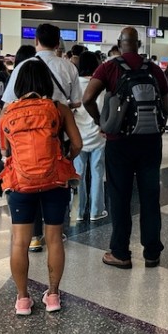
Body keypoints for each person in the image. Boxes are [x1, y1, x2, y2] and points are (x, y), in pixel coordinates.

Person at [82, 26, 168, 269]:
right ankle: (152, 252)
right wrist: (159, 123)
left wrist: (102, 121)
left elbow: (88, 98)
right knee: (150, 197)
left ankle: (120, 252)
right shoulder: (152, 68)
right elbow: (166, 96)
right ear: (139, 45)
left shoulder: (109, 67)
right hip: (150, 141)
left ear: (121, 44)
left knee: (119, 196)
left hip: (119, 141)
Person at [1, 59, 82, 315]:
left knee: (19, 242)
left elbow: (5, 150)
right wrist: (63, 159)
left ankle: (23, 299)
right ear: (47, 82)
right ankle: (54, 296)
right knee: (54, 238)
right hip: (55, 181)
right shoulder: (59, 109)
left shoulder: (9, 112)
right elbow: (77, 144)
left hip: (21, 184)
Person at [3, 24, 82, 252]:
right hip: (58, 134)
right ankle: (55, 230)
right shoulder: (68, 66)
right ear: (59, 43)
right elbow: (75, 102)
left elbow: (9, 103)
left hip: (24, 141)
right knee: (52, 178)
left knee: (29, 176)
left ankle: (35, 236)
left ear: (36, 40)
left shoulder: (24, 66)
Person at [73, 51, 107, 221]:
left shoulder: (74, 85)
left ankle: (78, 212)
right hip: (99, 136)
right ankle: (96, 211)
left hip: (78, 138)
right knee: (98, 173)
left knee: (78, 174)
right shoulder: (101, 84)